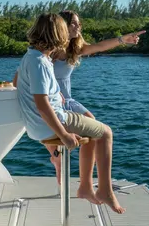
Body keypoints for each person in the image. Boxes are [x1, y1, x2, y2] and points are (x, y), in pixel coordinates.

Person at [15, 13, 126, 214]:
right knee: (106, 133)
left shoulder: (32, 57)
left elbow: (30, 89)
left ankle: (86, 187)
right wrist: (64, 135)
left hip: (37, 124)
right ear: (58, 34)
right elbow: (43, 105)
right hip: (53, 121)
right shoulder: (40, 62)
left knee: (92, 130)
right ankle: (104, 191)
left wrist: (56, 93)